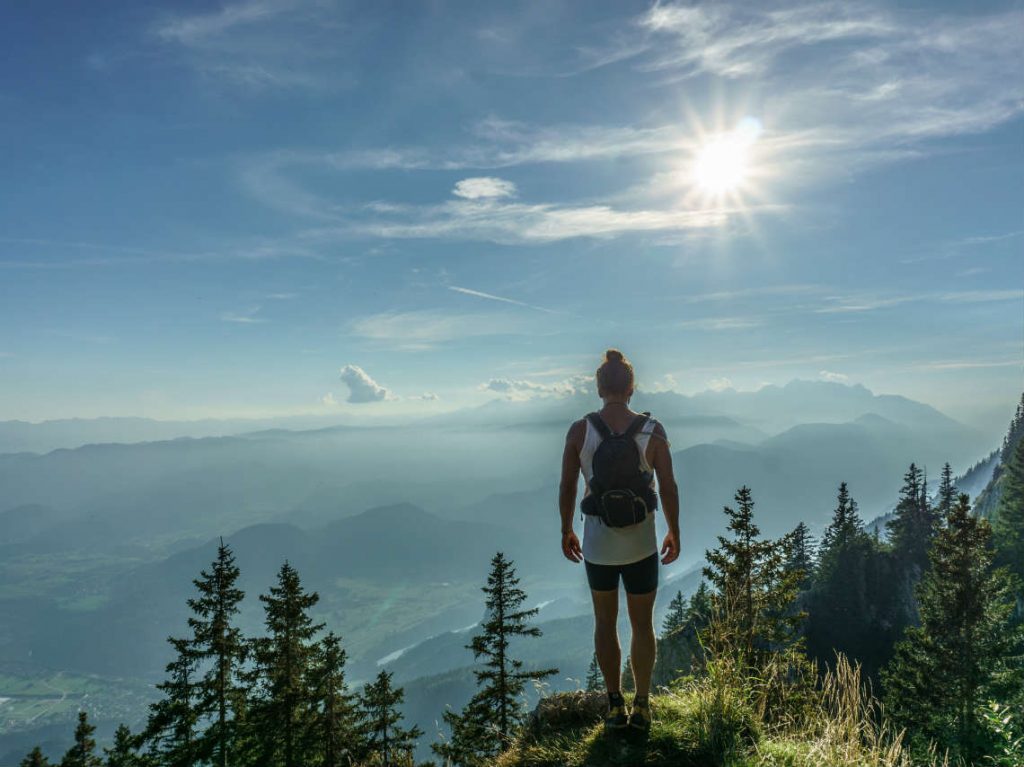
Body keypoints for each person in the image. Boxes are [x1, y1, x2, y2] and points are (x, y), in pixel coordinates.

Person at [558, 349, 680, 734]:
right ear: (631, 387)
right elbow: (669, 486)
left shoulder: (580, 431)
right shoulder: (653, 431)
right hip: (641, 544)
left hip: (598, 545)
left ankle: (614, 706)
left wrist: (566, 529)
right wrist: (674, 530)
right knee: (642, 625)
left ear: (598, 387)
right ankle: (642, 705)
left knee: (605, 622)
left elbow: (568, 484)